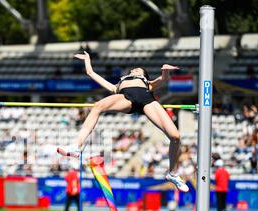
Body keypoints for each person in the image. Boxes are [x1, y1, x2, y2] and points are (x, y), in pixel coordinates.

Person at [57, 51, 189, 192]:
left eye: (138, 69)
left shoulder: (148, 83)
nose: (134, 70)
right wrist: (87, 60)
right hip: (125, 98)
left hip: (147, 100)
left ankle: (173, 173)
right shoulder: (118, 85)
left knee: (175, 137)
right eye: (133, 69)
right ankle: (77, 146)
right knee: (97, 106)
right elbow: (91, 73)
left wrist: (165, 70)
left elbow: (163, 80)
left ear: (144, 74)